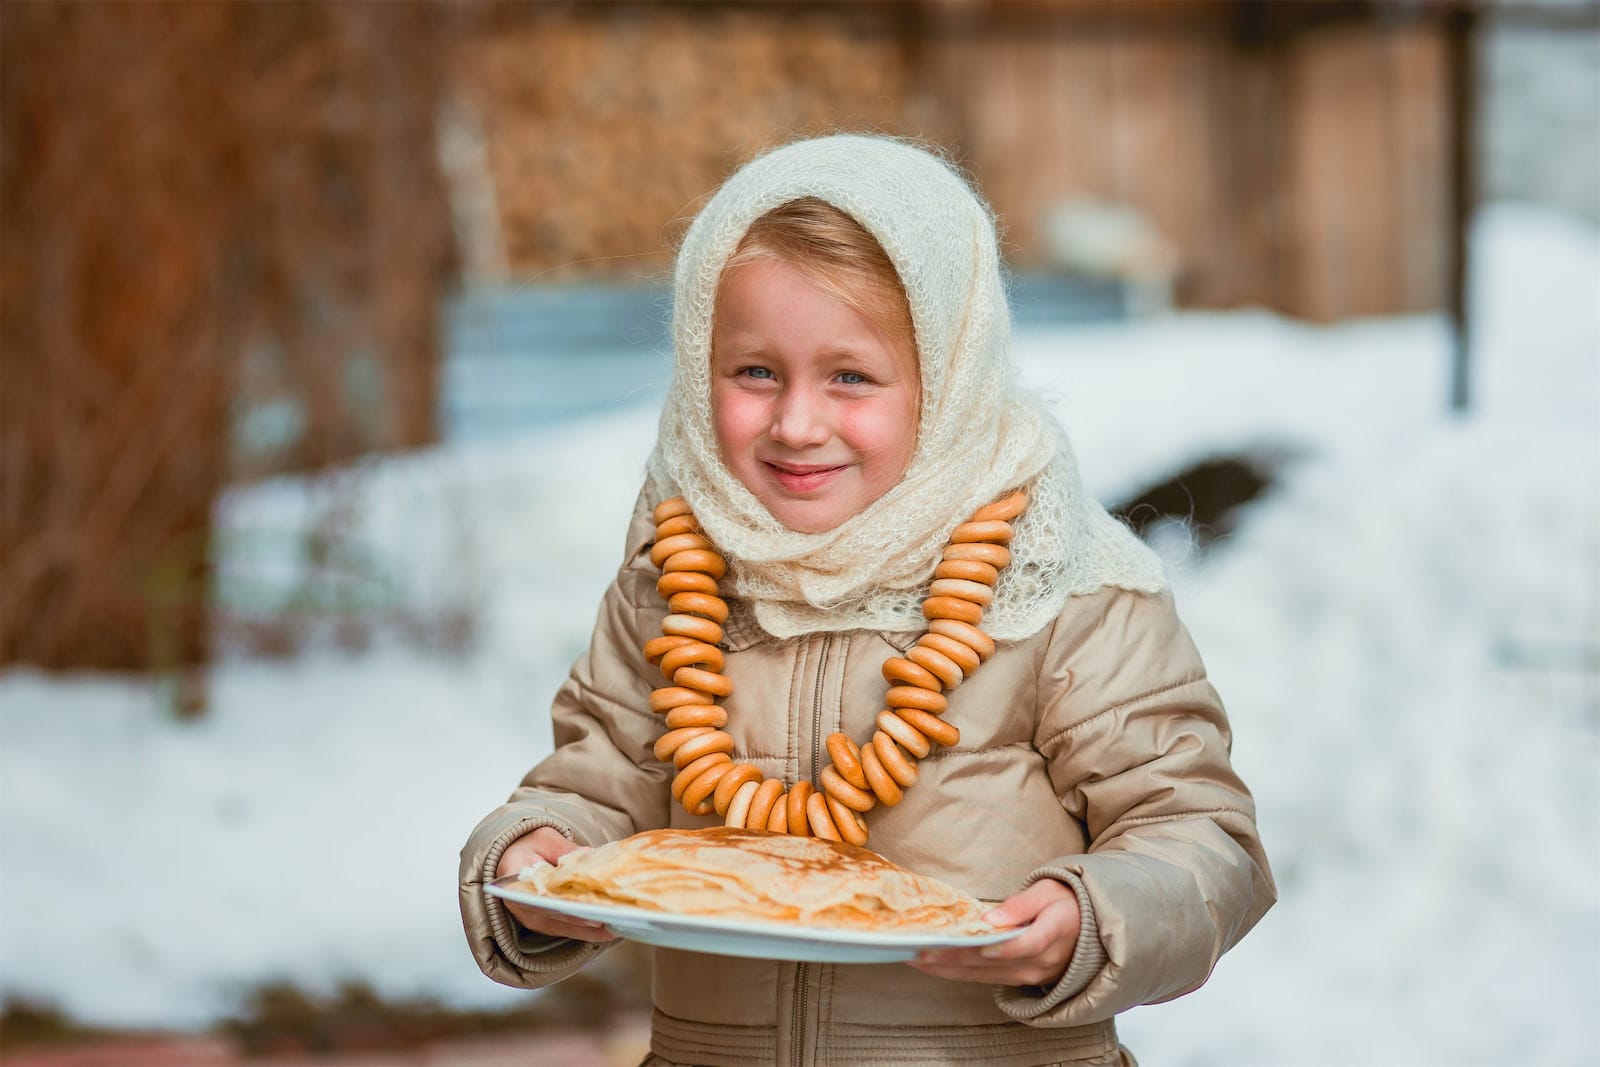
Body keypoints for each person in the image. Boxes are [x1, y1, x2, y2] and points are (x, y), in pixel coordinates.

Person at [459, 134, 1274, 1066]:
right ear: (697, 362)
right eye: (754, 371)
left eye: (850, 376)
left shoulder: (1066, 590)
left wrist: (1094, 916)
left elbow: (1199, 834)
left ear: (949, 376)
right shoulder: (674, 574)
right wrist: (533, 855)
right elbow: (596, 781)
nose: (797, 423)